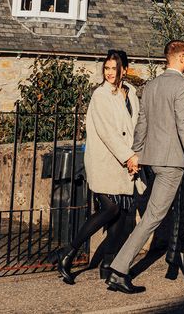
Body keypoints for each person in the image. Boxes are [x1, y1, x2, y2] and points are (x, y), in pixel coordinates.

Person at [106, 40, 184, 295]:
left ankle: (180, 260)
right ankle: (118, 270)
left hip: (151, 160)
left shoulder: (151, 86)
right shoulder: (183, 86)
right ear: (180, 58)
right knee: (153, 217)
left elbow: (142, 123)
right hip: (172, 162)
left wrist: (137, 153)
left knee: (173, 212)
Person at [50, 49, 141, 284]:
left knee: (122, 216)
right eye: (106, 68)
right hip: (106, 161)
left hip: (126, 161)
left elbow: (136, 126)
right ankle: (68, 251)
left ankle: (108, 264)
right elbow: (108, 133)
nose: (109, 73)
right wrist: (128, 157)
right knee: (110, 209)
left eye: (114, 68)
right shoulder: (101, 95)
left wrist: (136, 156)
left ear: (124, 69)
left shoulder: (131, 91)